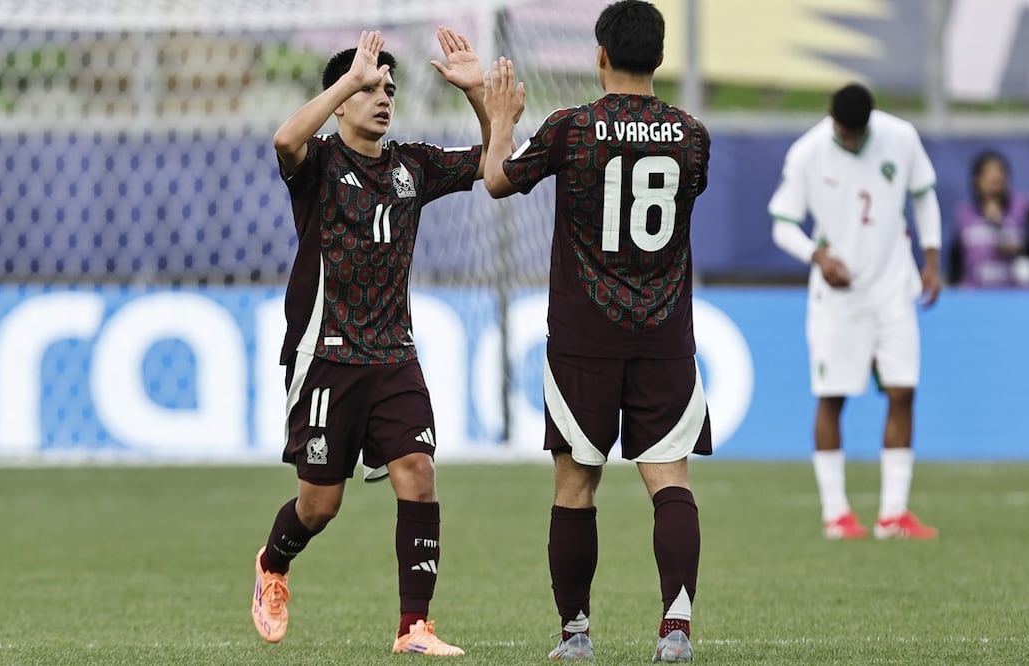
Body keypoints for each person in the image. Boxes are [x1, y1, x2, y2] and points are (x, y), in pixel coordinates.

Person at [250, 27, 490, 656]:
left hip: (393, 358)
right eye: (370, 87)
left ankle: (415, 627)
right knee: (319, 506)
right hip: (325, 357)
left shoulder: (414, 165)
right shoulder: (321, 162)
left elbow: (497, 167)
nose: (383, 97)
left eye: (390, 88)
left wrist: (480, 99)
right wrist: (345, 82)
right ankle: (273, 565)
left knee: (419, 472)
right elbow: (284, 139)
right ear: (343, 94)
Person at [483, 2, 711, 662]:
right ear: (659, 57)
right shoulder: (691, 135)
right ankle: (675, 628)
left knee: (575, 484)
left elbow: (498, 181)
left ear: (599, 55)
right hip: (663, 333)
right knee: (669, 479)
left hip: (584, 333)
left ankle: (576, 634)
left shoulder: (571, 129)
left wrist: (499, 122)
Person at [769, 83, 942, 541]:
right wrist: (817, 257)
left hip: (892, 288)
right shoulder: (807, 152)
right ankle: (836, 513)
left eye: (857, 133)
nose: (851, 141)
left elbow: (923, 196)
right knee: (833, 397)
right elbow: (783, 225)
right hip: (838, 300)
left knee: (902, 391)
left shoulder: (900, 137)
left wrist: (932, 259)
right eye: (845, 132)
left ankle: (892, 514)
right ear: (831, 118)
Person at [948, 149, 1029, 288]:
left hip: (1014, 293)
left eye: (1000, 172)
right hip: (975, 294)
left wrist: (1019, 249)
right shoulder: (964, 214)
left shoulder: (1022, 209)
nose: (995, 177)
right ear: (977, 180)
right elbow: (955, 259)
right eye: (989, 173)